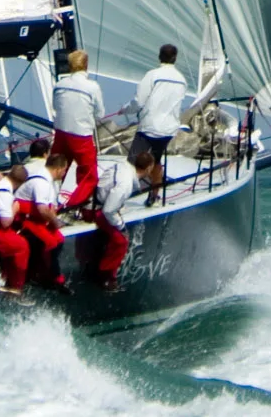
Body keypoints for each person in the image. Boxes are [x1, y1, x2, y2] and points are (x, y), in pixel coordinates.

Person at [130, 42, 189, 201]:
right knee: (156, 161)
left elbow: (139, 101)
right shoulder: (182, 80)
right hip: (168, 130)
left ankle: (126, 193)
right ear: (175, 58)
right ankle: (154, 196)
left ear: (159, 56)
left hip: (149, 127)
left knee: (133, 161)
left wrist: (126, 110)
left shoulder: (152, 75)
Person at [51, 48, 106, 211]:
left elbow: (55, 107)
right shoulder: (92, 87)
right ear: (86, 65)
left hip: (61, 134)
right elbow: (100, 113)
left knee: (56, 168)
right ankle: (73, 205)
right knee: (88, 175)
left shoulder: (59, 85)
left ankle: (51, 201)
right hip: (81, 136)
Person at [81, 148, 136, 287]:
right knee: (121, 240)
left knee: (108, 235)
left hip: (96, 205)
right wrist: (121, 226)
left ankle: (98, 265)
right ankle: (105, 275)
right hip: (96, 210)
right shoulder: (126, 184)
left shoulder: (120, 166)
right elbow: (108, 210)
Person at [9, 158, 66, 288]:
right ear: (58, 169)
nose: (64, 173)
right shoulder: (41, 183)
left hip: (37, 219)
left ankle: (46, 272)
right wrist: (55, 222)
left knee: (59, 239)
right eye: (64, 170)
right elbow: (42, 209)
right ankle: (50, 277)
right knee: (50, 244)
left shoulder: (48, 181)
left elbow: (49, 207)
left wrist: (53, 222)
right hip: (25, 220)